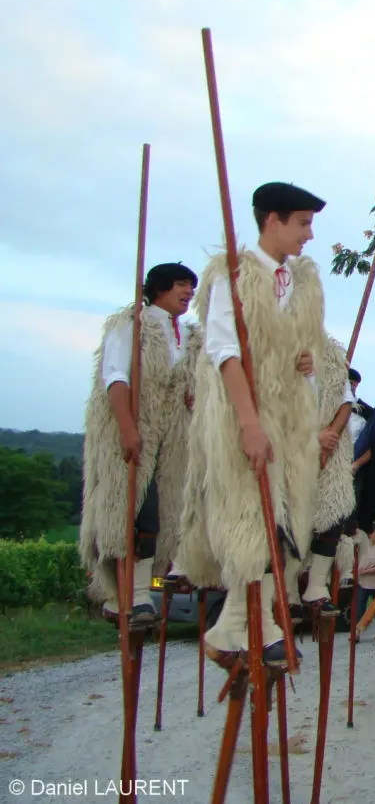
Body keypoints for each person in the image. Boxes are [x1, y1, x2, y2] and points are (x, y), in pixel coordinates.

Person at [178, 181, 327, 668]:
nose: (308, 235)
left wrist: (306, 359)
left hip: (288, 417)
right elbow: (226, 352)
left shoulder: (301, 284)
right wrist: (248, 423)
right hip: (246, 412)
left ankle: (254, 622)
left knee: (279, 520)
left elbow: (299, 345)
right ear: (273, 220)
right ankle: (237, 625)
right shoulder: (235, 277)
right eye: (302, 223)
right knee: (249, 516)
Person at [80, 263, 201, 625]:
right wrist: (127, 427)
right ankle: (125, 596)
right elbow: (115, 375)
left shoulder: (189, 338)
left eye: (191, 288)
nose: (188, 293)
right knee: (127, 512)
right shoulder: (133, 325)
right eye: (182, 285)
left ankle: (141, 592)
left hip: (172, 440)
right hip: (136, 432)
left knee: (159, 518)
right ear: (161, 287)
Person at [286, 335, 356, 619]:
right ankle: (288, 590)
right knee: (293, 521)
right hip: (291, 450)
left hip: (331, 451)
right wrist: (310, 440)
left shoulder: (330, 357)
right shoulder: (278, 351)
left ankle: (316, 586)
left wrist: (330, 435)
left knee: (332, 515)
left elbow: (346, 401)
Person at [348, 368, 375, 536]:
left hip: (353, 471)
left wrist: (355, 466)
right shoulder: (326, 407)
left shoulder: (366, 413)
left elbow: (371, 448)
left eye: (352, 383)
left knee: (349, 518)